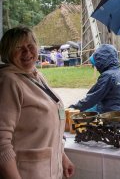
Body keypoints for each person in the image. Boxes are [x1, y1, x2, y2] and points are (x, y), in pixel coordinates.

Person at [0, 26, 75, 179]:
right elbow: (2, 142)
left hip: (49, 170)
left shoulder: (35, 75)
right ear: (7, 52)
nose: (27, 52)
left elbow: (49, 128)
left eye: (30, 46)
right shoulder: (8, 81)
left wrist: (62, 157)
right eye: (18, 48)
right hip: (27, 173)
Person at [69, 44, 120, 113]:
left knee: (83, 114)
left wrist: (73, 108)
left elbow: (92, 98)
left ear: (102, 61)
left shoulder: (108, 76)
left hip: (110, 117)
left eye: (96, 64)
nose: (96, 67)